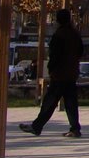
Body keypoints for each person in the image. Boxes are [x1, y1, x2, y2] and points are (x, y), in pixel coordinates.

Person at [19, 9, 83, 138]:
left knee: (49, 102)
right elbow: (80, 51)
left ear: (58, 20)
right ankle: (75, 128)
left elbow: (55, 55)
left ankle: (37, 127)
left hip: (60, 74)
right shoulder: (75, 34)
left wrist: (51, 68)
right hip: (71, 73)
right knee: (71, 103)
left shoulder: (59, 35)